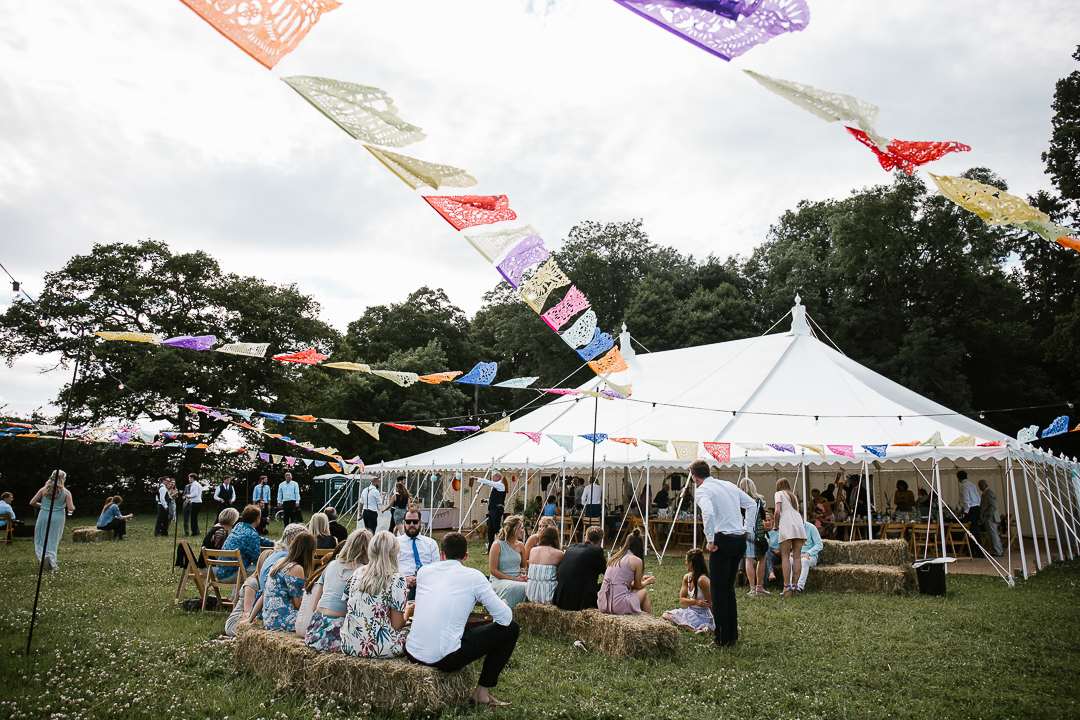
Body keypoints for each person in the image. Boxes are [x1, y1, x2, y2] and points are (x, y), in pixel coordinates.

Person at [405, 531, 519, 708]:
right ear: (465, 556)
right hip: (443, 658)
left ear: (442, 555)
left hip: (412, 652)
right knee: (512, 628)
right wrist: (502, 604)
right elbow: (505, 619)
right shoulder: (474, 577)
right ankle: (482, 693)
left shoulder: (424, 572)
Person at [691, 459, 755, 648]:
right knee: (728, 589)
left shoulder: (702, 490)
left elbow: (708, 514)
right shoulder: (728, 485)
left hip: (723, 540)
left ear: (695, 478)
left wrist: (709, 540)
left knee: (718, 591)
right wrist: (746, 530)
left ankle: (721, 639)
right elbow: (752, 504)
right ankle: (731, 635)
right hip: (738, 540)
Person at [339, 530, 413, 656]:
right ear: (395, 553)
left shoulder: (357, 572)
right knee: (413, 630)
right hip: (381, 648)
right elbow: (397, 624)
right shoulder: (397, 579)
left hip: (350, 644)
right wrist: (407, 611)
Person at [305, 529, 370, 652]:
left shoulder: (332, 564)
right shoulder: (362, 571)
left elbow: (315, 605)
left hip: (315, 627)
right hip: (338, 630)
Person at [259, 531, 317, 633]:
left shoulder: (279, 562)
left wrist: (250, 619)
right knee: (317, 623)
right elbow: (299, 605)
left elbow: (264, 595)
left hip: (269, 618)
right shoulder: (296, 569)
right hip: (283, 619)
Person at [598, 529, 654, 615]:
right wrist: (647, 582)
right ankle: (649, 623)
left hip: (604, 602)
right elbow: (638, 586)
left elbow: (621, 583)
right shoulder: (636, 560)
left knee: (633, 593)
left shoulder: (615, 557)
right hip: (618, 605)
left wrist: (641, 579)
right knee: (644, 593)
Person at [553, 525, 607, 610]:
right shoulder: (596, 551)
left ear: (585, 538)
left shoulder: (570, 548)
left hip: (561, 597)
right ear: (600, 543)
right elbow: (607, 572)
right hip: (579, 600)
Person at [31, 470, 74, 572]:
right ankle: (51, 560)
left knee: (41, 538)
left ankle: (44, 557)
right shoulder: (66, 492)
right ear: (63, 479)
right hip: (58, 517)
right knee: (53, 539)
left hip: (44, 514)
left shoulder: (43, 490)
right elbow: (70, 508)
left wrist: (44, 506)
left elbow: (32, 502)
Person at [662, 548, 713, 633]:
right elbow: (682, 600)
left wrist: (717, 622)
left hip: (703, 614)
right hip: (691, 612)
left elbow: (712, 603)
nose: (685, 563)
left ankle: (699, 627)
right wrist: (695, 601)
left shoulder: (702, 580)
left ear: (691, 563)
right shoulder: (687, 577)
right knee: (665, 615)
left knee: (674, 618)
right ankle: (694, 630)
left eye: (686, 561)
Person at [218, 505, 275, 581]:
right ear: (257, 519)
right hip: (233, 574)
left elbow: (258, 538)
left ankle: (237, 593)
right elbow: (258, 561)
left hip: (222, 573)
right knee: (267, 572)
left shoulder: (238, 526)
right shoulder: (251, 535)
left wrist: (272, 543)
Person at [397, 508, 440, 601]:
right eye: (408, 522)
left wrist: (422, 579)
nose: (412, 525)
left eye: (415, 522)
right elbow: (390, 569)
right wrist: (405, 579)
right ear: (403, 523)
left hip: (426, 583)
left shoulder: (430, 543)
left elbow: (436, 567)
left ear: (420, 523)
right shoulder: (395, 543)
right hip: (403, 583)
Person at [774, 478, 807, 598]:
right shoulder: (793, 496)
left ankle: (786, 586)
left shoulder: (779, 494)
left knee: (785, 556)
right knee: (797, 556)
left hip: (786, 523)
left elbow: (777, 511)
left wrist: (775, 524)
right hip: (798, 523)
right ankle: (795, 586)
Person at [738, 478, 769, 597]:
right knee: (761, 558)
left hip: (746, 528)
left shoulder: (739, 501)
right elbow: (763, 516)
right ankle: (759, 586)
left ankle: (752, 587)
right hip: (758, 529)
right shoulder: (758, 501)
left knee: (748, 559)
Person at [489, 515, 528, 608]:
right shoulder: (497, 545)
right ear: (514, 529)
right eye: (522, 528)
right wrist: (513, 580)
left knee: (531, 587)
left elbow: (524, 566)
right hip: (500, 580)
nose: (523, 531)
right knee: (513, 587)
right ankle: (504, 614)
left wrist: (523, 575)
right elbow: (493, 570)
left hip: (517, 579)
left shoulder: (521, 546)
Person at [525, 525, 564, 604]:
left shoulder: (533, 550)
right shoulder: (560, 554)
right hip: (549, 596)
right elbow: (560, 578)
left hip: (531, 594)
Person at [474, 472, 507, 553]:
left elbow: (488, 482)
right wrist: (486, 501)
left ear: (498, 478)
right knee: (490, 530)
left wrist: (477, 478)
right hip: (492, 510)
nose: (492, 478)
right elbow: (495, 500)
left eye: (493, 477)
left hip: (497, 510)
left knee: (496, 528)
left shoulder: (500, 484)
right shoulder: (496, 487)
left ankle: (502, 547)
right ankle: (490, 550)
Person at [796, 519, 823, 592]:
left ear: (801, 517)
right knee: (789, 560)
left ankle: (799, 586)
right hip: (797, 554)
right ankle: (789, 586)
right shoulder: (792, 528)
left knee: (804, 560)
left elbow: (819, 544)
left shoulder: (811, 527)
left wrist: (808, 552)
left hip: (811, 555)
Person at [979, 480, 1004, 557]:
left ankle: (997, 551)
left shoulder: (989, 493)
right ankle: (998, 550)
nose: (980, 487)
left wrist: (987, 514)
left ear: (986, 485)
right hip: (989, 517)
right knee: (992, 534)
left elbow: (994, 506)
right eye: (979, 485)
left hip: (991, 517)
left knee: (993, 534)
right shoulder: (985, 493)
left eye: (981, 485)